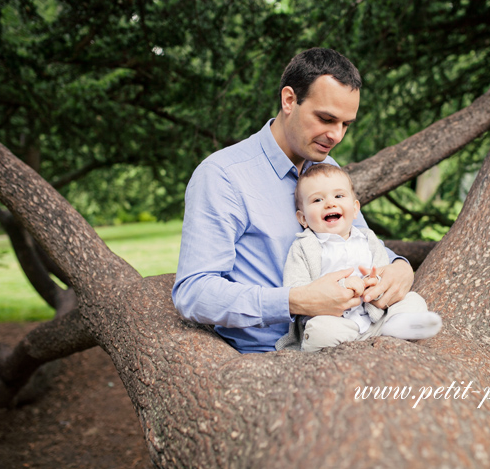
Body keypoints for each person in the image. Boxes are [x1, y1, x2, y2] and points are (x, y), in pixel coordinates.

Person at [172, 48, 415, 353]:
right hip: (272, 360)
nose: (336, 135)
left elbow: (361, 239)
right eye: (326, 118)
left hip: (355, 338)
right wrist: (296, 300)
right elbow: (194, 293)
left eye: (345, 124)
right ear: (289, 100)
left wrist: (399, 267)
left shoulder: (329, 171)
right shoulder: (223, 176)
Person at [275, 164, 442, 352]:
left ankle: (393, 328)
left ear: (355, 209)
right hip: (336, 322)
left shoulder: (368, 239)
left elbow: (383, 272)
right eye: (317, 200)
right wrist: (341, 287)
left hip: (375, 318)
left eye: (339, 196)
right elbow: (295, 289)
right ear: (303, 218)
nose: (330, 203)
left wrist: (374, 282)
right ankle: (343, 344)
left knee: (414, 300)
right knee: (320, 330)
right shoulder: (303, 248)